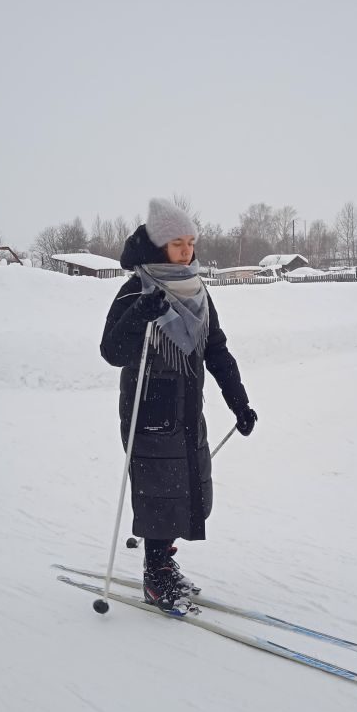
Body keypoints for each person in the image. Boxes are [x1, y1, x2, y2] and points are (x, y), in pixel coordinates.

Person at [100, 198, 258, 614]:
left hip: (188, 407)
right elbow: (111, 350)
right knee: (158, 491)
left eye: (190, 242)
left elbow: (216, 350)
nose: (186, 251)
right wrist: (140, 313)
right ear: (157, 246)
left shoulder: (197, 290)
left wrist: (238, 403)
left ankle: (165, 561)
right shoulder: (137, 287)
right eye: (176, 243)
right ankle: (155, 575)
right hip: (147, 408)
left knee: (188, 486)